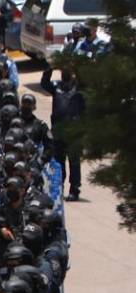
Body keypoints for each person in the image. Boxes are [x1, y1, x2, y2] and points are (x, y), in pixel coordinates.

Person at [40, 65, 85, 201]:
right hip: (58, 131)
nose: (65, 72)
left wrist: (78, 68)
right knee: (59, 161)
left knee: (74, 162)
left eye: (68, 70)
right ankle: (59, 187)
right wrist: (50, 68)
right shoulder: (56, 87)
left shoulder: (78, 88)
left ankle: (74, 189)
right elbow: (44, 83)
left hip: (73, 131)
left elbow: (87, 82)